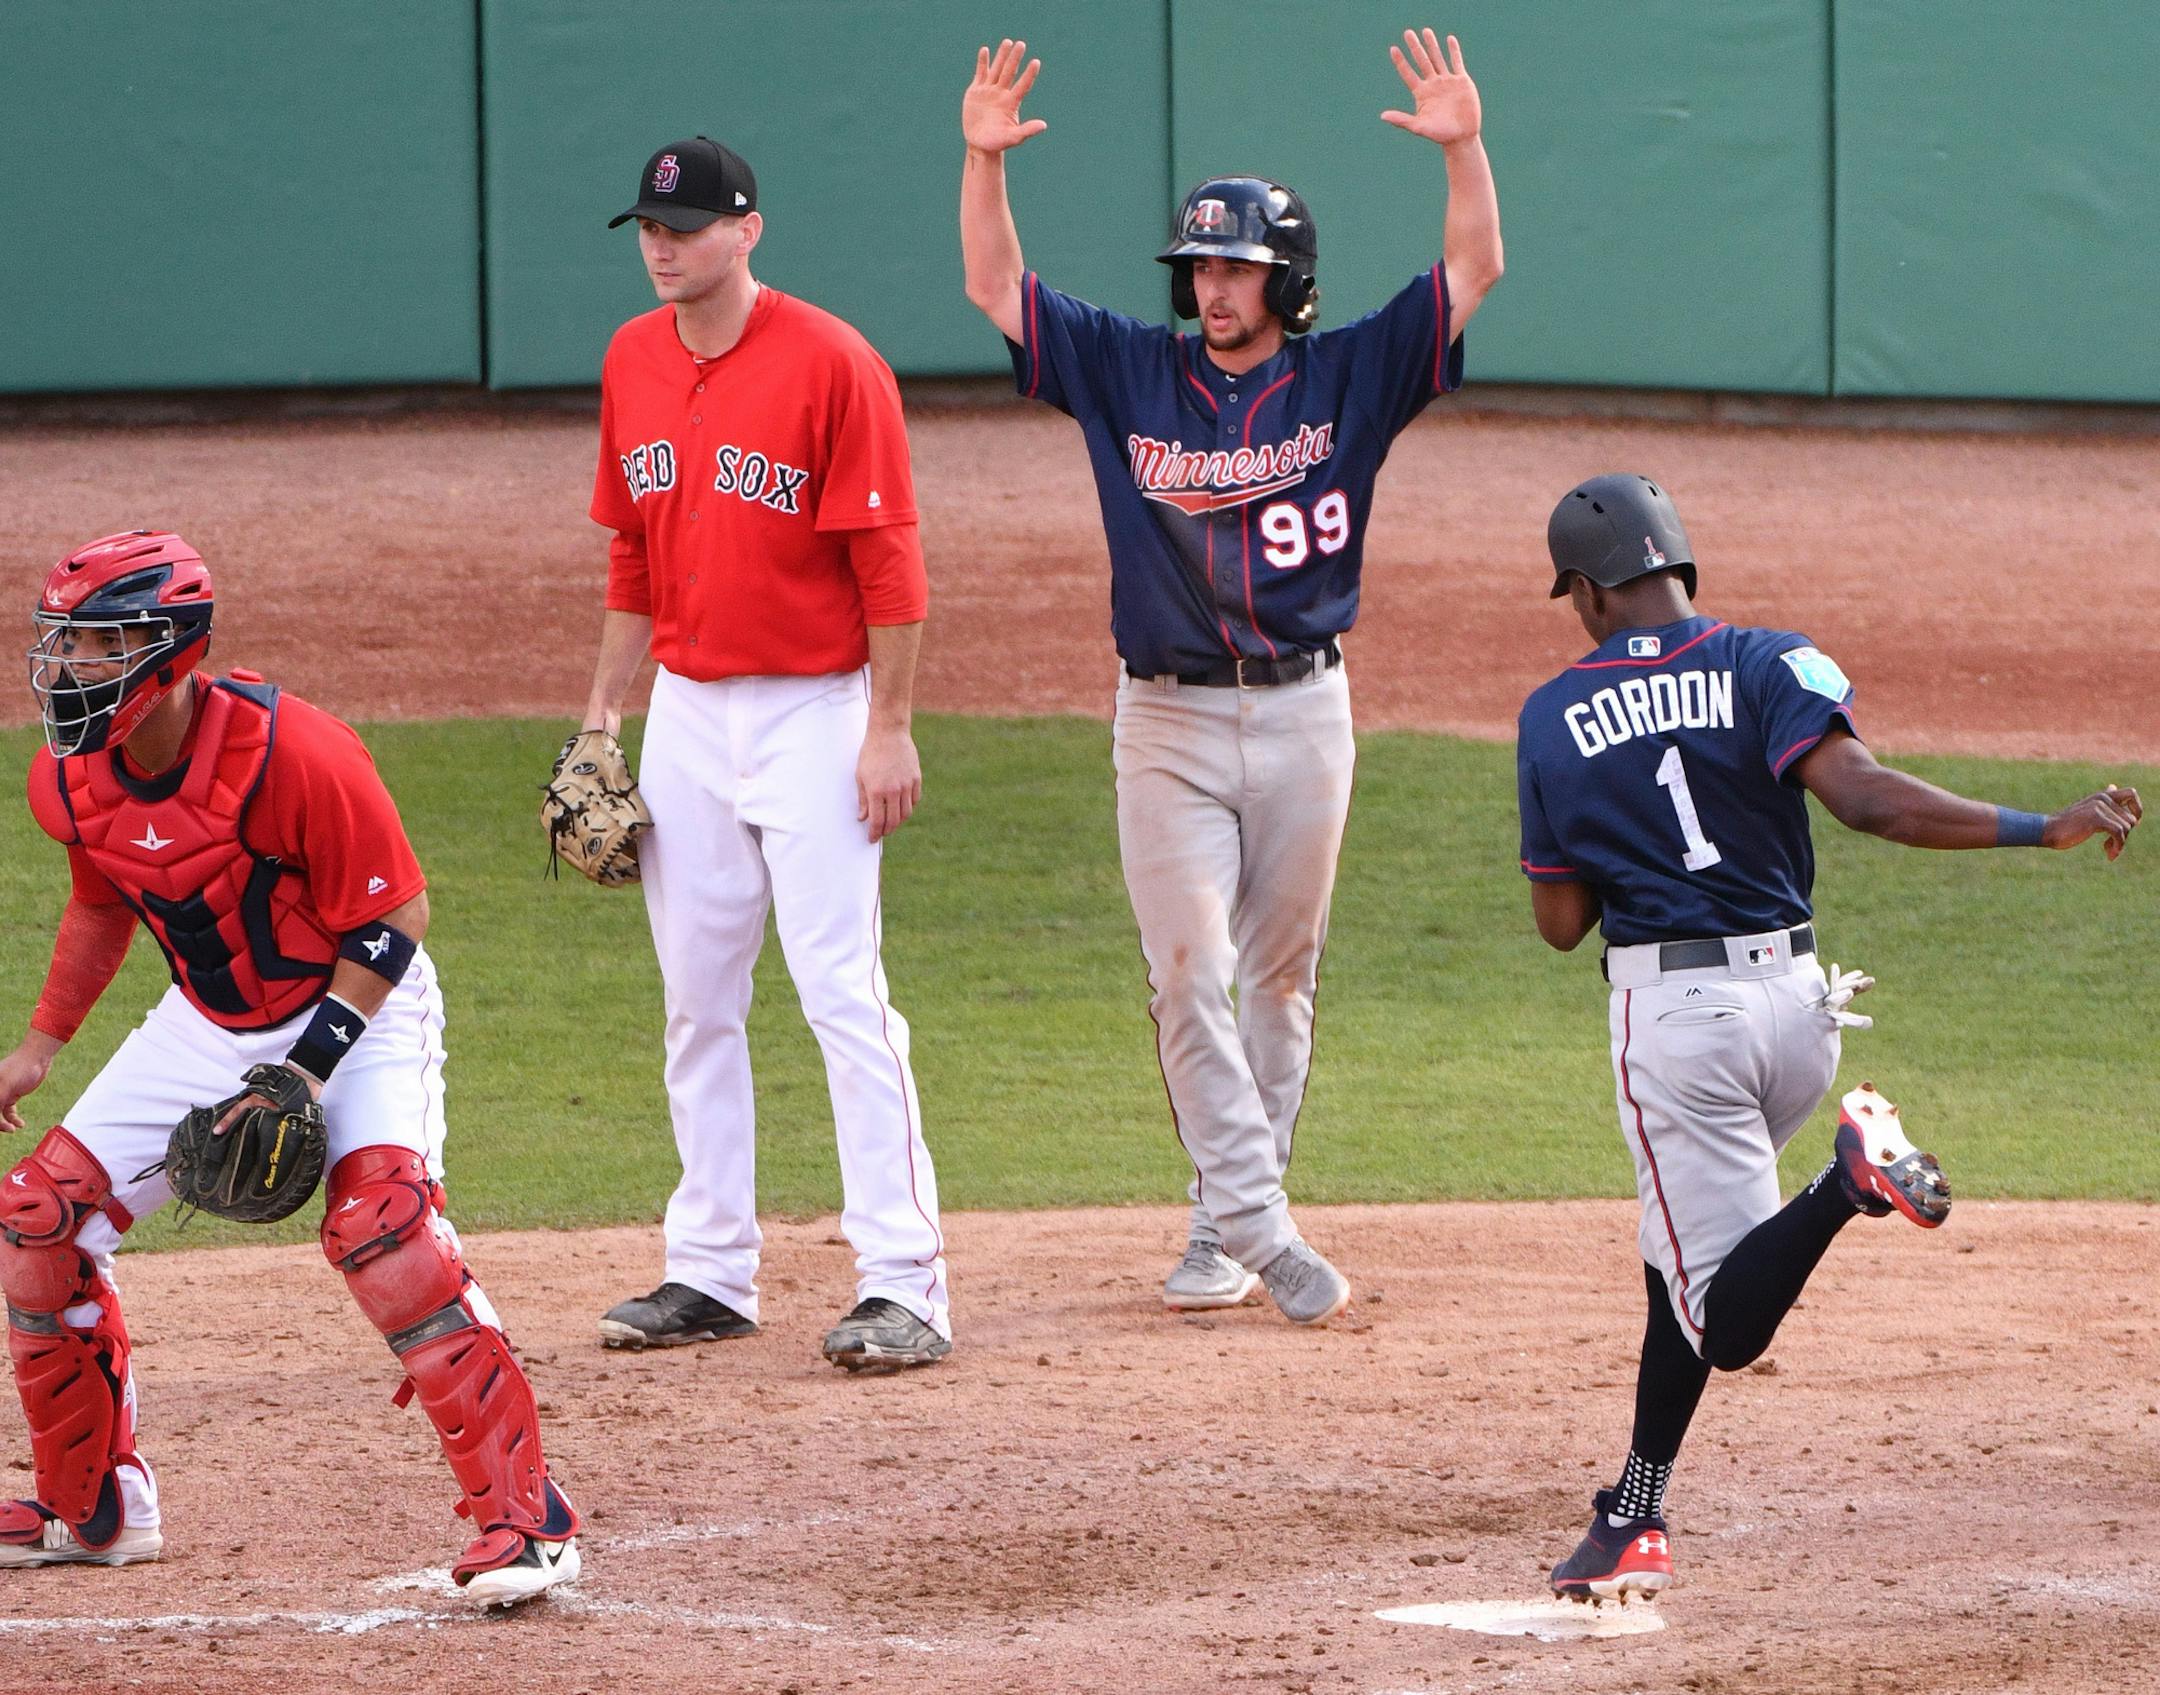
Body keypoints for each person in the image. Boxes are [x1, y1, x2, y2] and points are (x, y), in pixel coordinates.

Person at [1517, 474, 2142, 1602]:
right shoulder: (1770, 661)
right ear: (1678, 570)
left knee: (1723, 1320)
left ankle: (1850, 1184)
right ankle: (1634, 1511)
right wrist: (2037, 826)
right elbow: (1862, 798)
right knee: (1688, 1257)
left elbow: (1560, 925)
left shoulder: (1554, 712)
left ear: (1588, 595)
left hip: (1682, 1026)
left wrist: (1627, 849)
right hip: (1800, 1011)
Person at [959, 32, 1503, 1324]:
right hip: (1166, 718)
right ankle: (1263, 1226)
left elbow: (1474, 268)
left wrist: (1464, 147)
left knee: (1278, 975)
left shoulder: (1348, 377)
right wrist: (981, 164)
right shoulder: (1128, 370)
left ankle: (1221, 1215)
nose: (1212, 286)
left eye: (1237, 267)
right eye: (1200, 264)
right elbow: (998, 288)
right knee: (1187, 967)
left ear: (1287, 281)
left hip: (1310, 709)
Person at [0, 531, 581, 1604]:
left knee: (384, 1229)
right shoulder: (69, 782)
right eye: (64, 646)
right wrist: (39, 1048)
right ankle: (95, 1511)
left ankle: (526, 1516)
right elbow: (99, 902)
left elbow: (394, 918)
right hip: (207, 1021)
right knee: (38, 1220)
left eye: (98, 647)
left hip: (356, 1006)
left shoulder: (294, 753)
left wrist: (305, 1072)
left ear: (169, 652)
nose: (70, 670)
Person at [581, 136, 950, 1371]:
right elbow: (633, 558)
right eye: (648, 226)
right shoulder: (632, 359)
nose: (661, 244)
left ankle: (906, 1282)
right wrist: (601, 720)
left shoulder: (834, 363)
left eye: (684, 226)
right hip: (687, 712)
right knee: (696, 998)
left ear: (748, 230)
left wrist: (886, 726)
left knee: (842, 993)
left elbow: (889, 567)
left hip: (817, 709)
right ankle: (710, 1270)